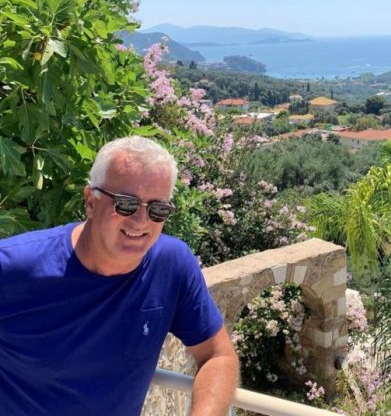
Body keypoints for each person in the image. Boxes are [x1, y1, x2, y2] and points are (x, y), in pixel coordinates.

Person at [0, 136, 239, 416]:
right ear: (90, 202)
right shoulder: (15, 266)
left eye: (158, 210)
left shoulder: (171, 265)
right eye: (126, 204)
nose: (140, 221)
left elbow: (217, 355)